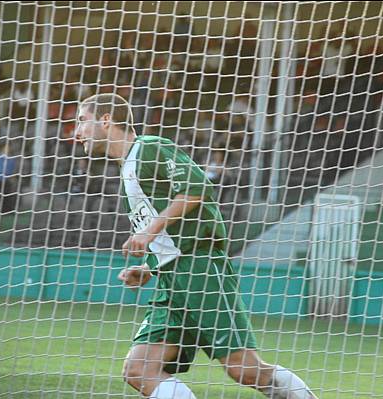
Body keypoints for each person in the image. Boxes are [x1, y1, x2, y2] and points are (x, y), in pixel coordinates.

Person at [74, 93, 318, 399]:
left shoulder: (149, 148)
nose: (77, 132)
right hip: (170, 279)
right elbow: (169, 233)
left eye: (82, 121)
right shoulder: (127, 169)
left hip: (200, 269)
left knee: (243, 369)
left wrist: (149, 232)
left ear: (106, 119)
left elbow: (198, 187)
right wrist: (148, 267)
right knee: (139, 369)